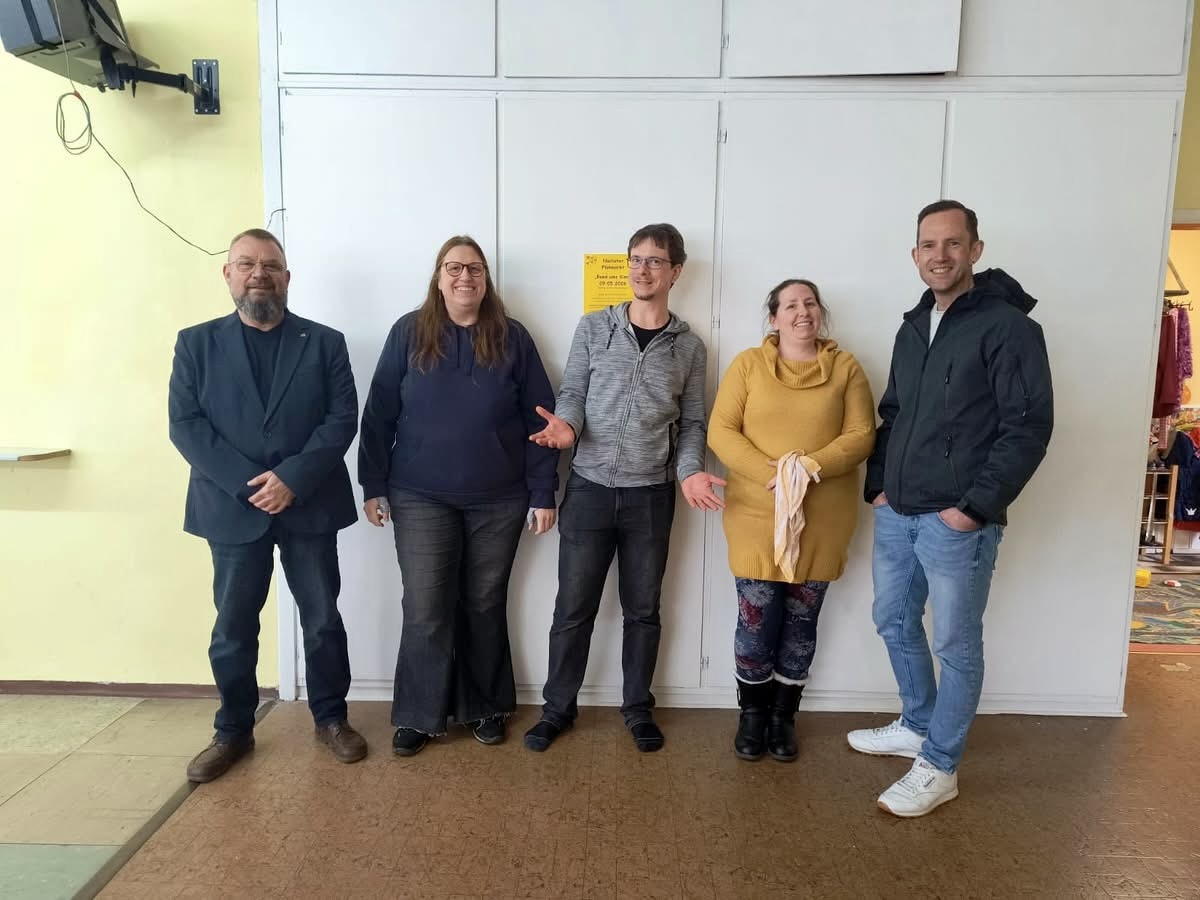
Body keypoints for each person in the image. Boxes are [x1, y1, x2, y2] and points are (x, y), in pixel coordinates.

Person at [849, 200, 1053, 817]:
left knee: (956, 646)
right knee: (893, 620)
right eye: (928, 245)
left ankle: (939, 766)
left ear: (975, 250)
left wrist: (974, 509)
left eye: (952, 243)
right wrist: (879, 487)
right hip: (899, 511)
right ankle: (917, 724)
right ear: (915, 254)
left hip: (957, 521)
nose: (940, 255)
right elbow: (893, 413)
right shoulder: (914, 326)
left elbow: (1028, 428)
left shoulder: (1008, 327)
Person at [169, 228, 367, 783]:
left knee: (322, 621)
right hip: (232, 509)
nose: (259, 273)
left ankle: (331, 719)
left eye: (270, 265)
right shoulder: (196, 344)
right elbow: (186, 425)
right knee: (233, 627)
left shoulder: (324, 342)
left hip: (309, 504)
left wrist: (291, 479)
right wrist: (251, 485)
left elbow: (341, 419)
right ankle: (233, 730)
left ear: (287, 277)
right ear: (228, 274)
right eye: (246, 264)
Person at [524, 223, 725, 754]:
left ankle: (637, 708)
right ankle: (556, 709)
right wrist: (567, 429)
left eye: (655, 261)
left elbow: (693, 423)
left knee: (643, 611)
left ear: (675, 272)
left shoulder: (690, 348)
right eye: (635, 259)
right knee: (573, 609)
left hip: (651, 497)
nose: (642, 269)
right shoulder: (595, 327)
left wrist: (689, 471)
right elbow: (572, 393)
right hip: (588, 490)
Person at [358, 236, 559, 756]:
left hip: (500, 499)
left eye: (474, 268)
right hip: (420, 497)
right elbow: (378, 414)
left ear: (486, 279)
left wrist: (543, 491)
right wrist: (373, 484)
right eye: (454, 267)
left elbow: (542, 420)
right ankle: (418, 715)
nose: (464, 277)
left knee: (484, 604)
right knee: (426, 607)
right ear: (438, 277)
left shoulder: (513, 337)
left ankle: (485, 707)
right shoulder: (409, 332)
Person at [708, 279, 875, 762]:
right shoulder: (748, 365)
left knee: (802, 623)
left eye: (810, 303)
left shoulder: (846, 368)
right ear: (774, 318)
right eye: (791, 305)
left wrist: (807, 469)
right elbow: (721, 431)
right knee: (756, 622)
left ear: (820, 312)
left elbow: (861, 434)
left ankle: (783, 717)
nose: (803, 312)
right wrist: (777, 475)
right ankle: (752, 714)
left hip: (822, 518)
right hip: (756, 514)